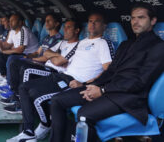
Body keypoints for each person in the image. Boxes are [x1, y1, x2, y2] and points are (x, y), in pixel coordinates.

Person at [49, 3, 164, 142]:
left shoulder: (158, 47)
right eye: (133, 18)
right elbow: (110, 72)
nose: (135, 22)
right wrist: (91, 86)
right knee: (57, 101)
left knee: (84, 115)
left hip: (129, 97)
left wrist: (102, 90)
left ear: (153, 21)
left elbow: (140, 82)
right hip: (110, 89)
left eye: (141, 18)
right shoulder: (126, 44)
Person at [7, 12, 114, 142]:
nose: (92, 24)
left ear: (104, 26)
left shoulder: (103, 43)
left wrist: (87, 83)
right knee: (24, 87)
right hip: (61, 75)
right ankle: (28, 131)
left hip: (74, 82)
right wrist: (53, 57)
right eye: (90, 21)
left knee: (38, 97)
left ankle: (45, 127)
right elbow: (62, 58)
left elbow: (109, 70)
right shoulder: (82, 42)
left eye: (96, 21)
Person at [0, 19, 80, 114]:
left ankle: (22, 103)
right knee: (15, 62)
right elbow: (41, 52)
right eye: (65, 27)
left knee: (25, 68)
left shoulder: (58, 38)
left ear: (57, 23)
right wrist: (30, 57)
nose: (46, 23)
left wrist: (34, 60)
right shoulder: (48, 38)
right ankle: (15, 93)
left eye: (49, 21)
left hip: (50, 68)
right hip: (42, 61)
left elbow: (52, 59)